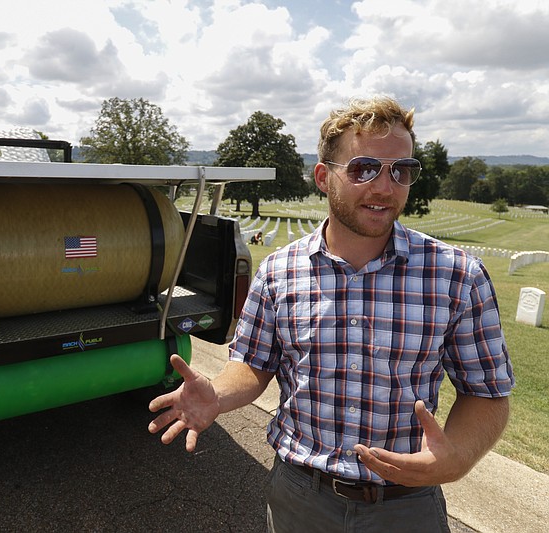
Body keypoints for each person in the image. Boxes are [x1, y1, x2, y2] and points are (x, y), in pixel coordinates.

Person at [148, 96, 514, 533]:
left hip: (406, 506)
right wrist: (220, 394)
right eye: (364, 169)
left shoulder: (457, 277)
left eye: (402, 170)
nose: (385, 187)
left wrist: (457, 457)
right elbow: (252, 365)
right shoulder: (278, 272)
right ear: (324, 177)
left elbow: (486, 391)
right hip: (301, 498)